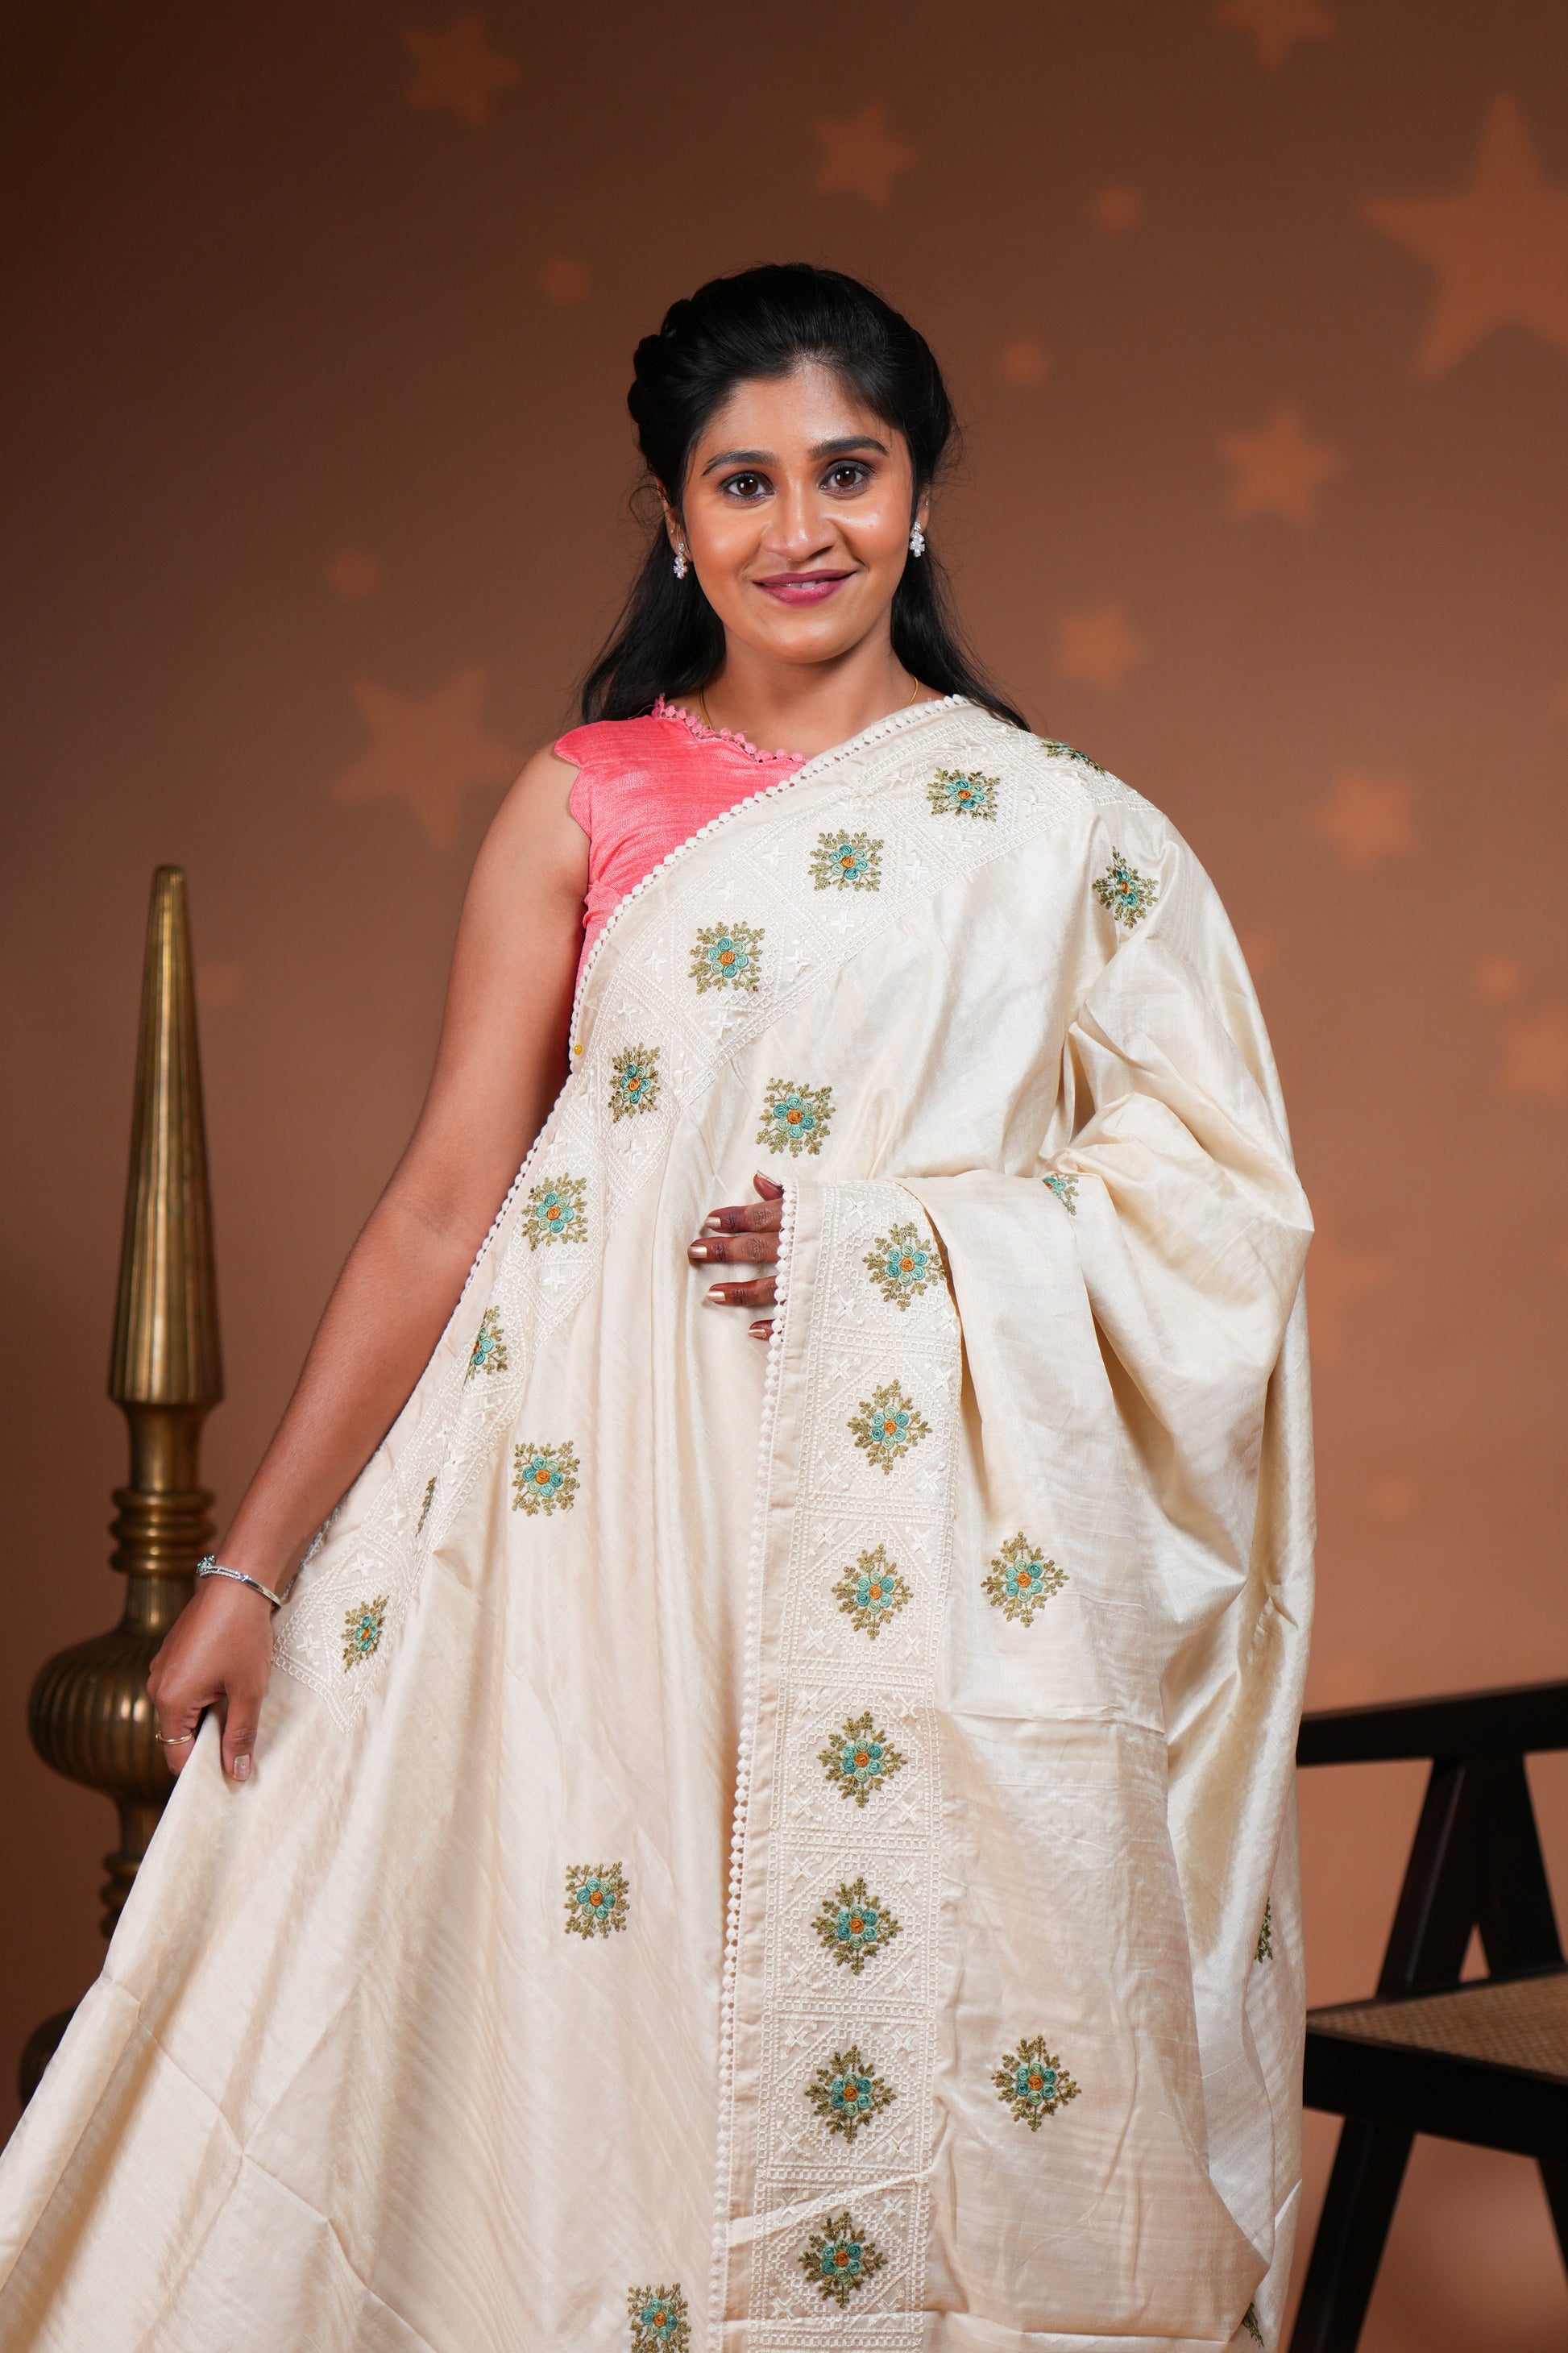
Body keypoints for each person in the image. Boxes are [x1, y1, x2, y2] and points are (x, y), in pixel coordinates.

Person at [0, 265, 1313, 2352]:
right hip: (578, 1519)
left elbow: (1218, 1212)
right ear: (677, 515)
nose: (801, 528)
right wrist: (251, 1567)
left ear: (920, 492)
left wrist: (896, 1248)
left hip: (902, 1536)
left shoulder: (1059, 832)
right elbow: (447, 1201)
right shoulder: (586, 793)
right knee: (569, 2020)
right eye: (742, 481)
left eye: (847, 471)